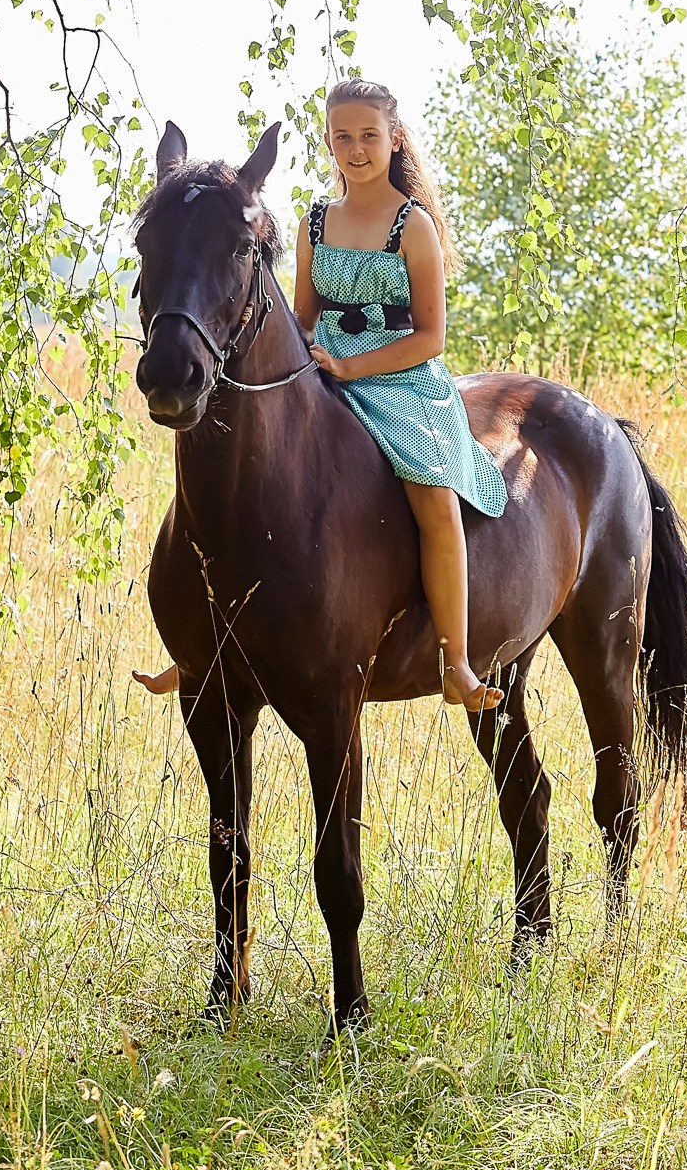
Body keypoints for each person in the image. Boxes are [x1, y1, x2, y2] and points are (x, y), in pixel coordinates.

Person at [134, 78, 507, 711]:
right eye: (342, 137)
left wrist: (356, 367)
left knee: (434, 498)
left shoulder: (412, 227)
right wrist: (305, 364)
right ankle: (205, 649)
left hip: (403, 382)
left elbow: (431, 337)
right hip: (323, 367)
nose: (355, 149)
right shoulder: (314, 222)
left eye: (368, 136)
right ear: (329, 143)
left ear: (394, 139)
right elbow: (302, 316)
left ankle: (457, 660)